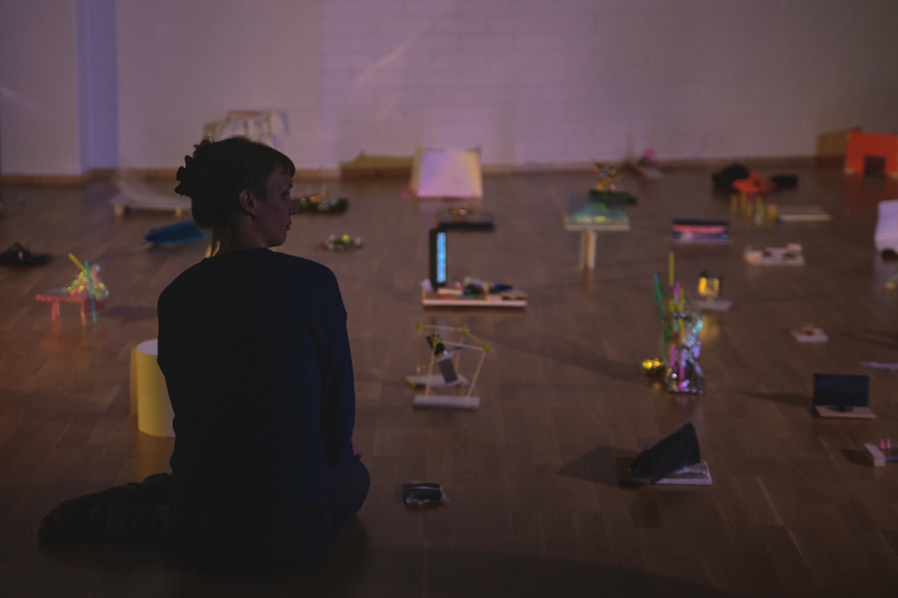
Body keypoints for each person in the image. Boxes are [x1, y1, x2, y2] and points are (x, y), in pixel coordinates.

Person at [38, 137, 368, 571]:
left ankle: (163, 511)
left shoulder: (176, 295)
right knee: (355, 474)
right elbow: (338, 411)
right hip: (282, 530)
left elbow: (195, 411)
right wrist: (335, 461)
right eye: (285, 193)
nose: (293, 207)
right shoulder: (315, 283)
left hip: (198, 509)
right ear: (248, 201)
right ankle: (169, 515)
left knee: (208, 481)